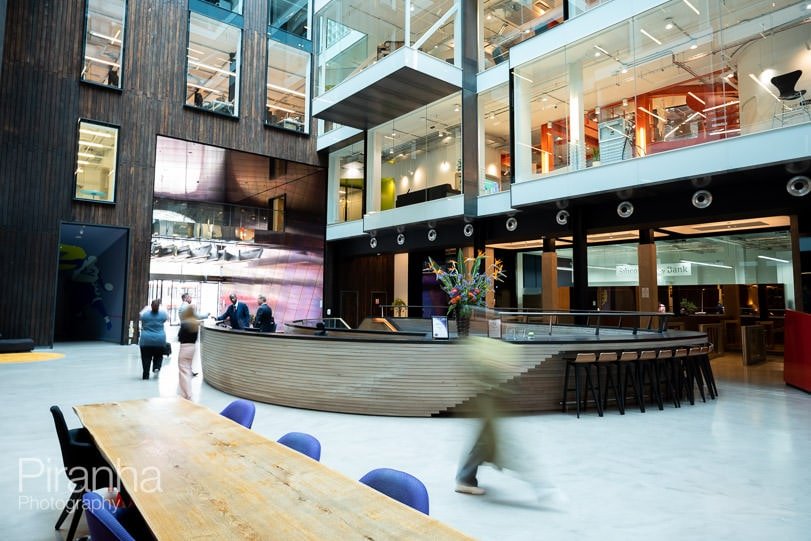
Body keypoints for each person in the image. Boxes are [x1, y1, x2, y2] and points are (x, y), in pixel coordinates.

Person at [177, 302, 207, 399]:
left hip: (184, 348)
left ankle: (186, 394)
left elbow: (180, 337)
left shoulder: (184, 323)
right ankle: (186, 393)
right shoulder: (195, 323)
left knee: (183, 371)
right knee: (188, 369)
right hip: (192, 348)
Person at [138, 299, 168, 380]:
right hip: (160, 340)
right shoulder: (163, 314)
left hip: (146, 340)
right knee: (158, 356)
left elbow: (141, 318)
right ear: (159, 306)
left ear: (151, 306)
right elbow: (165, 319)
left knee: (145, 358)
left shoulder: (145, 315)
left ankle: (146, 374)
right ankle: (156, 367)